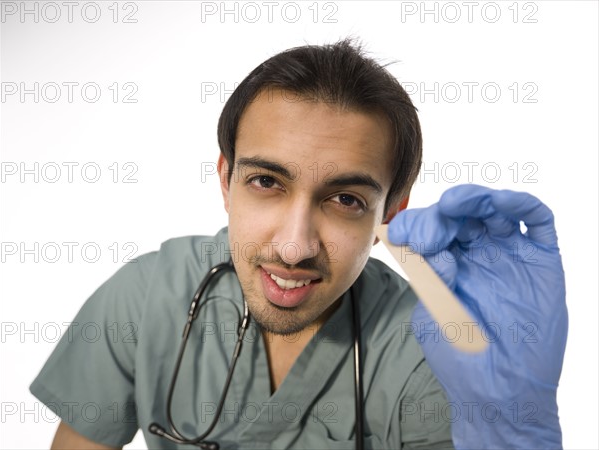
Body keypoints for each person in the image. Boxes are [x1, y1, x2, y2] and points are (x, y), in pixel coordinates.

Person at [30, 39, 568, 450]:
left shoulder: (430, 352)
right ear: (225, 179)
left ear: (393, 213)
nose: (294, 248)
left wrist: (513, 424)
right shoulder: (145, 299)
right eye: (267, 182)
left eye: (346, 200)